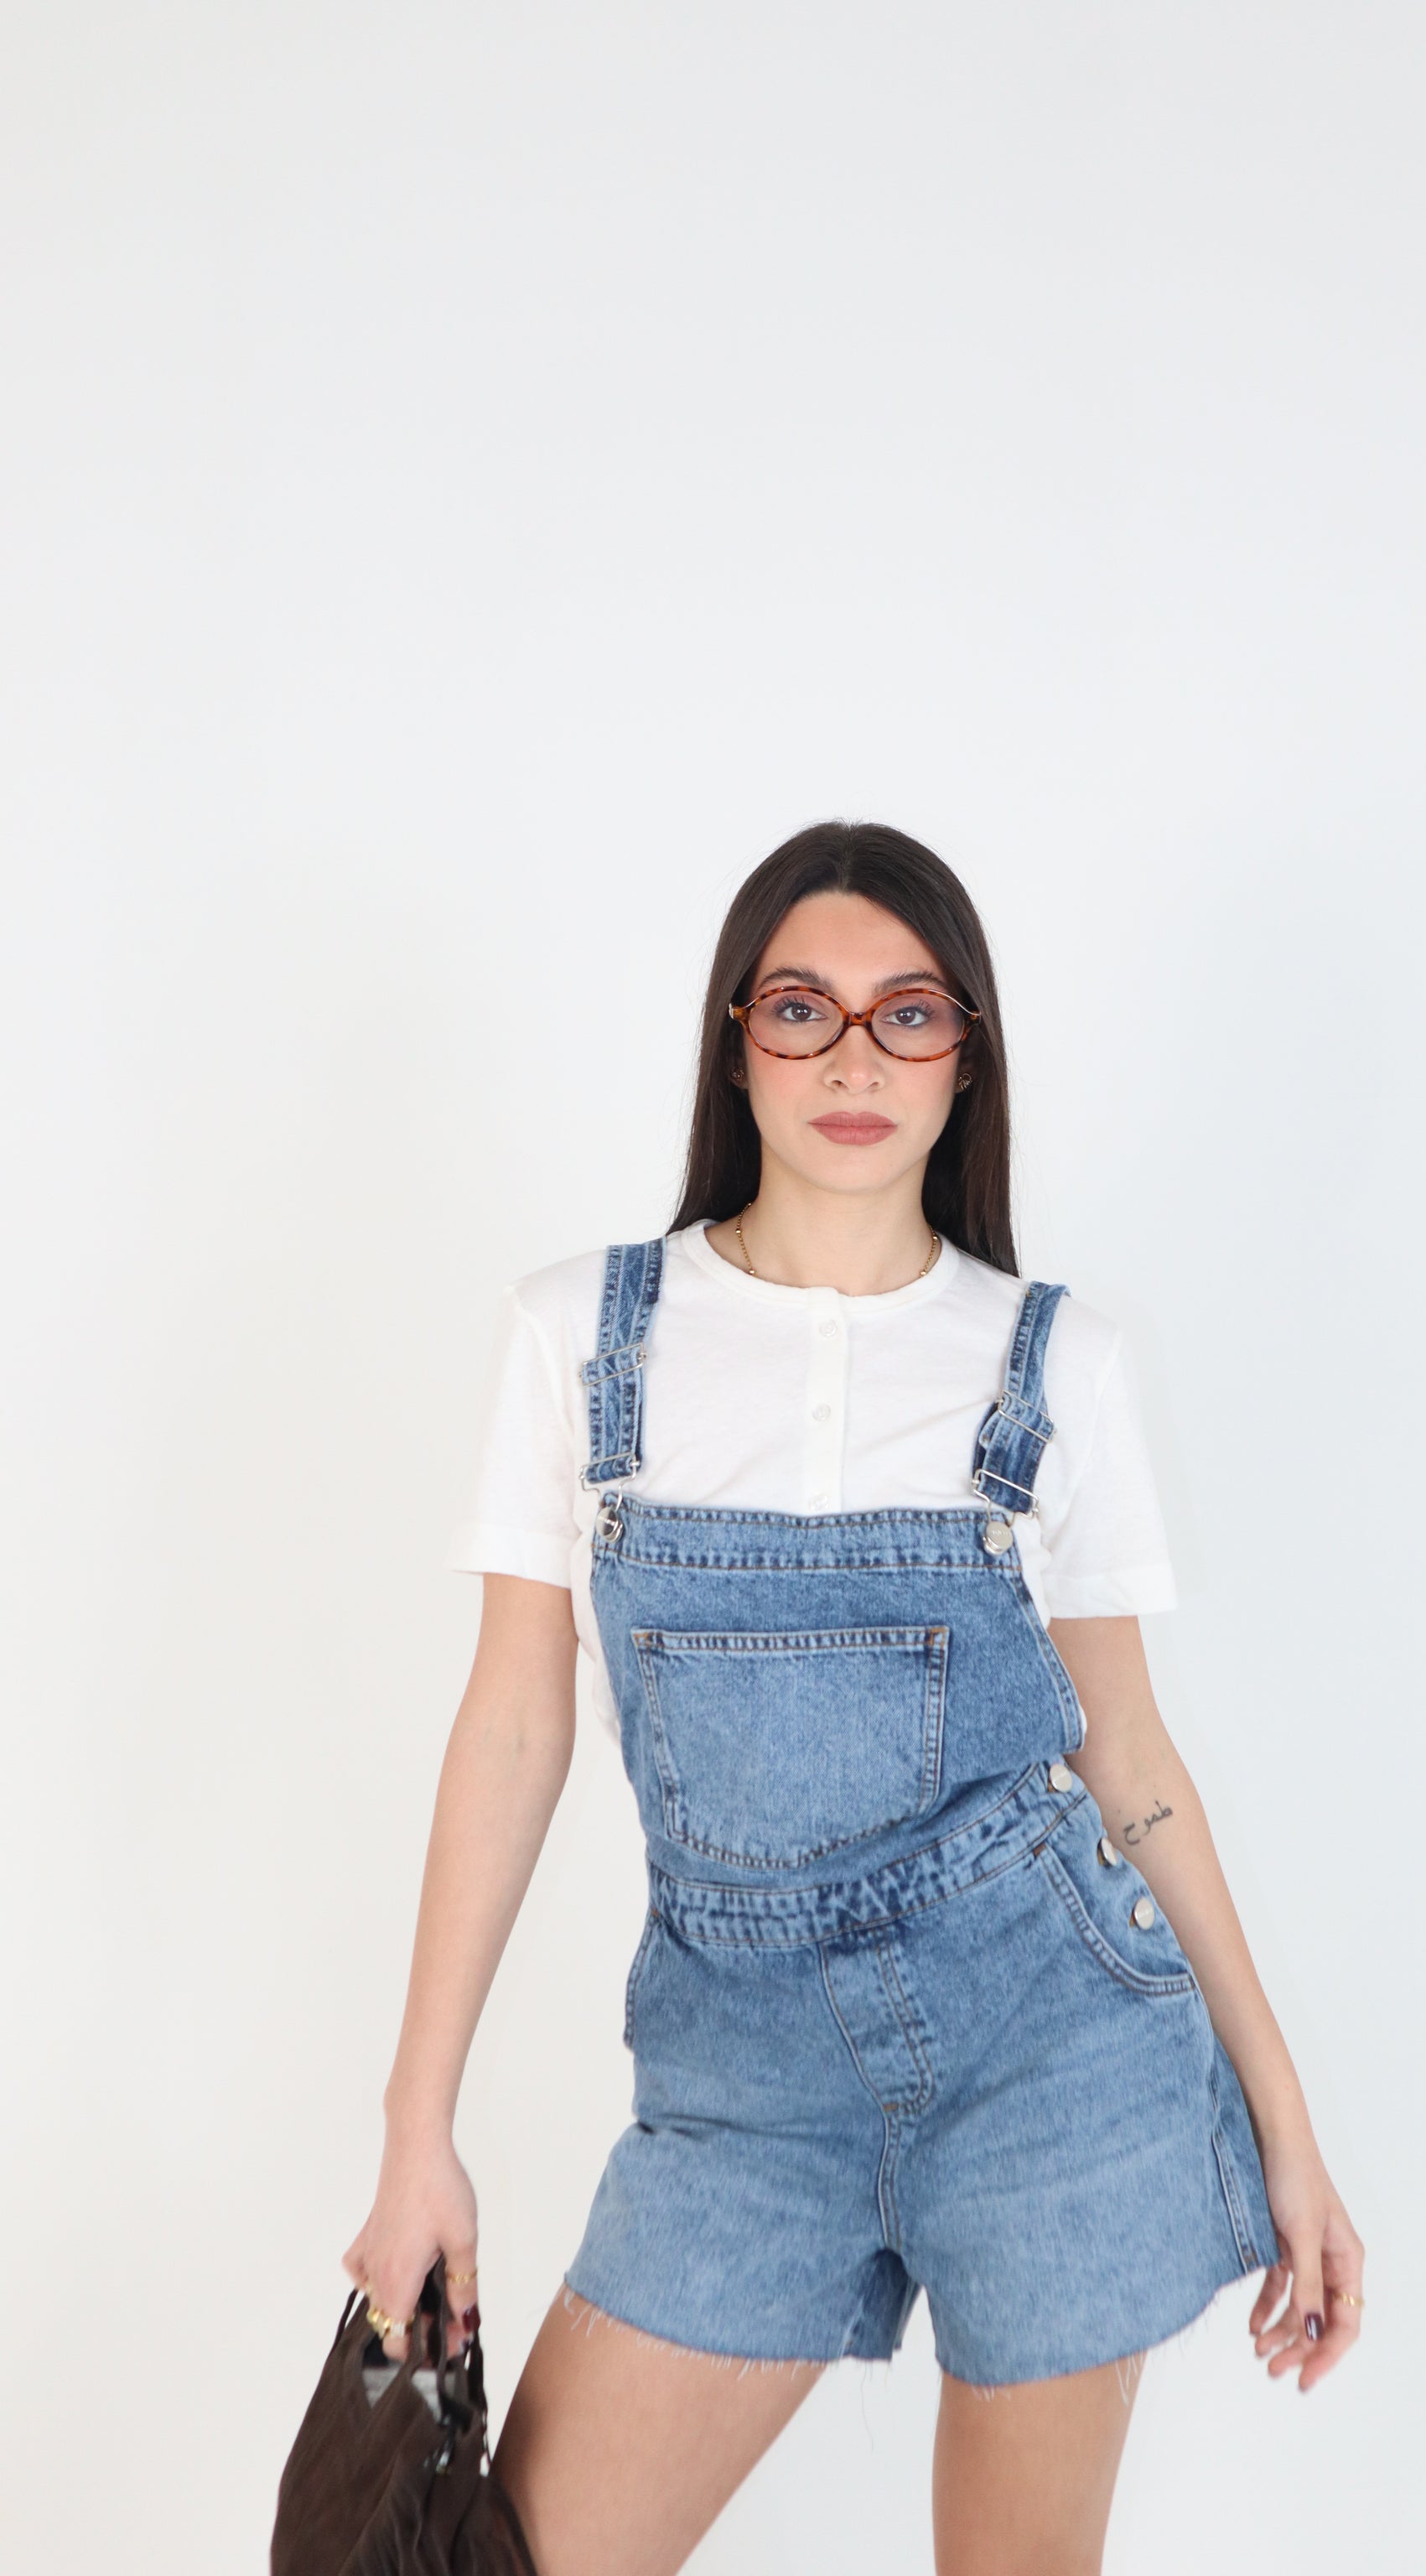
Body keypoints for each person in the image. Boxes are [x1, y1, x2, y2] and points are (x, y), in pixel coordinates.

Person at [343, 819, 1365, 2575]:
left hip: (1053, 2059)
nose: (853, 1060)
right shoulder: (580, 1336)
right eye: (803, 1009)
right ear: (737, 1039)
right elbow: (513, 1726)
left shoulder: (1056, 1362)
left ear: (966, 1059)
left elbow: (1128, 1759)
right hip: (738, 2083)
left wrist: (1287, 2123)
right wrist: (414, 2128)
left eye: (910, 1015)